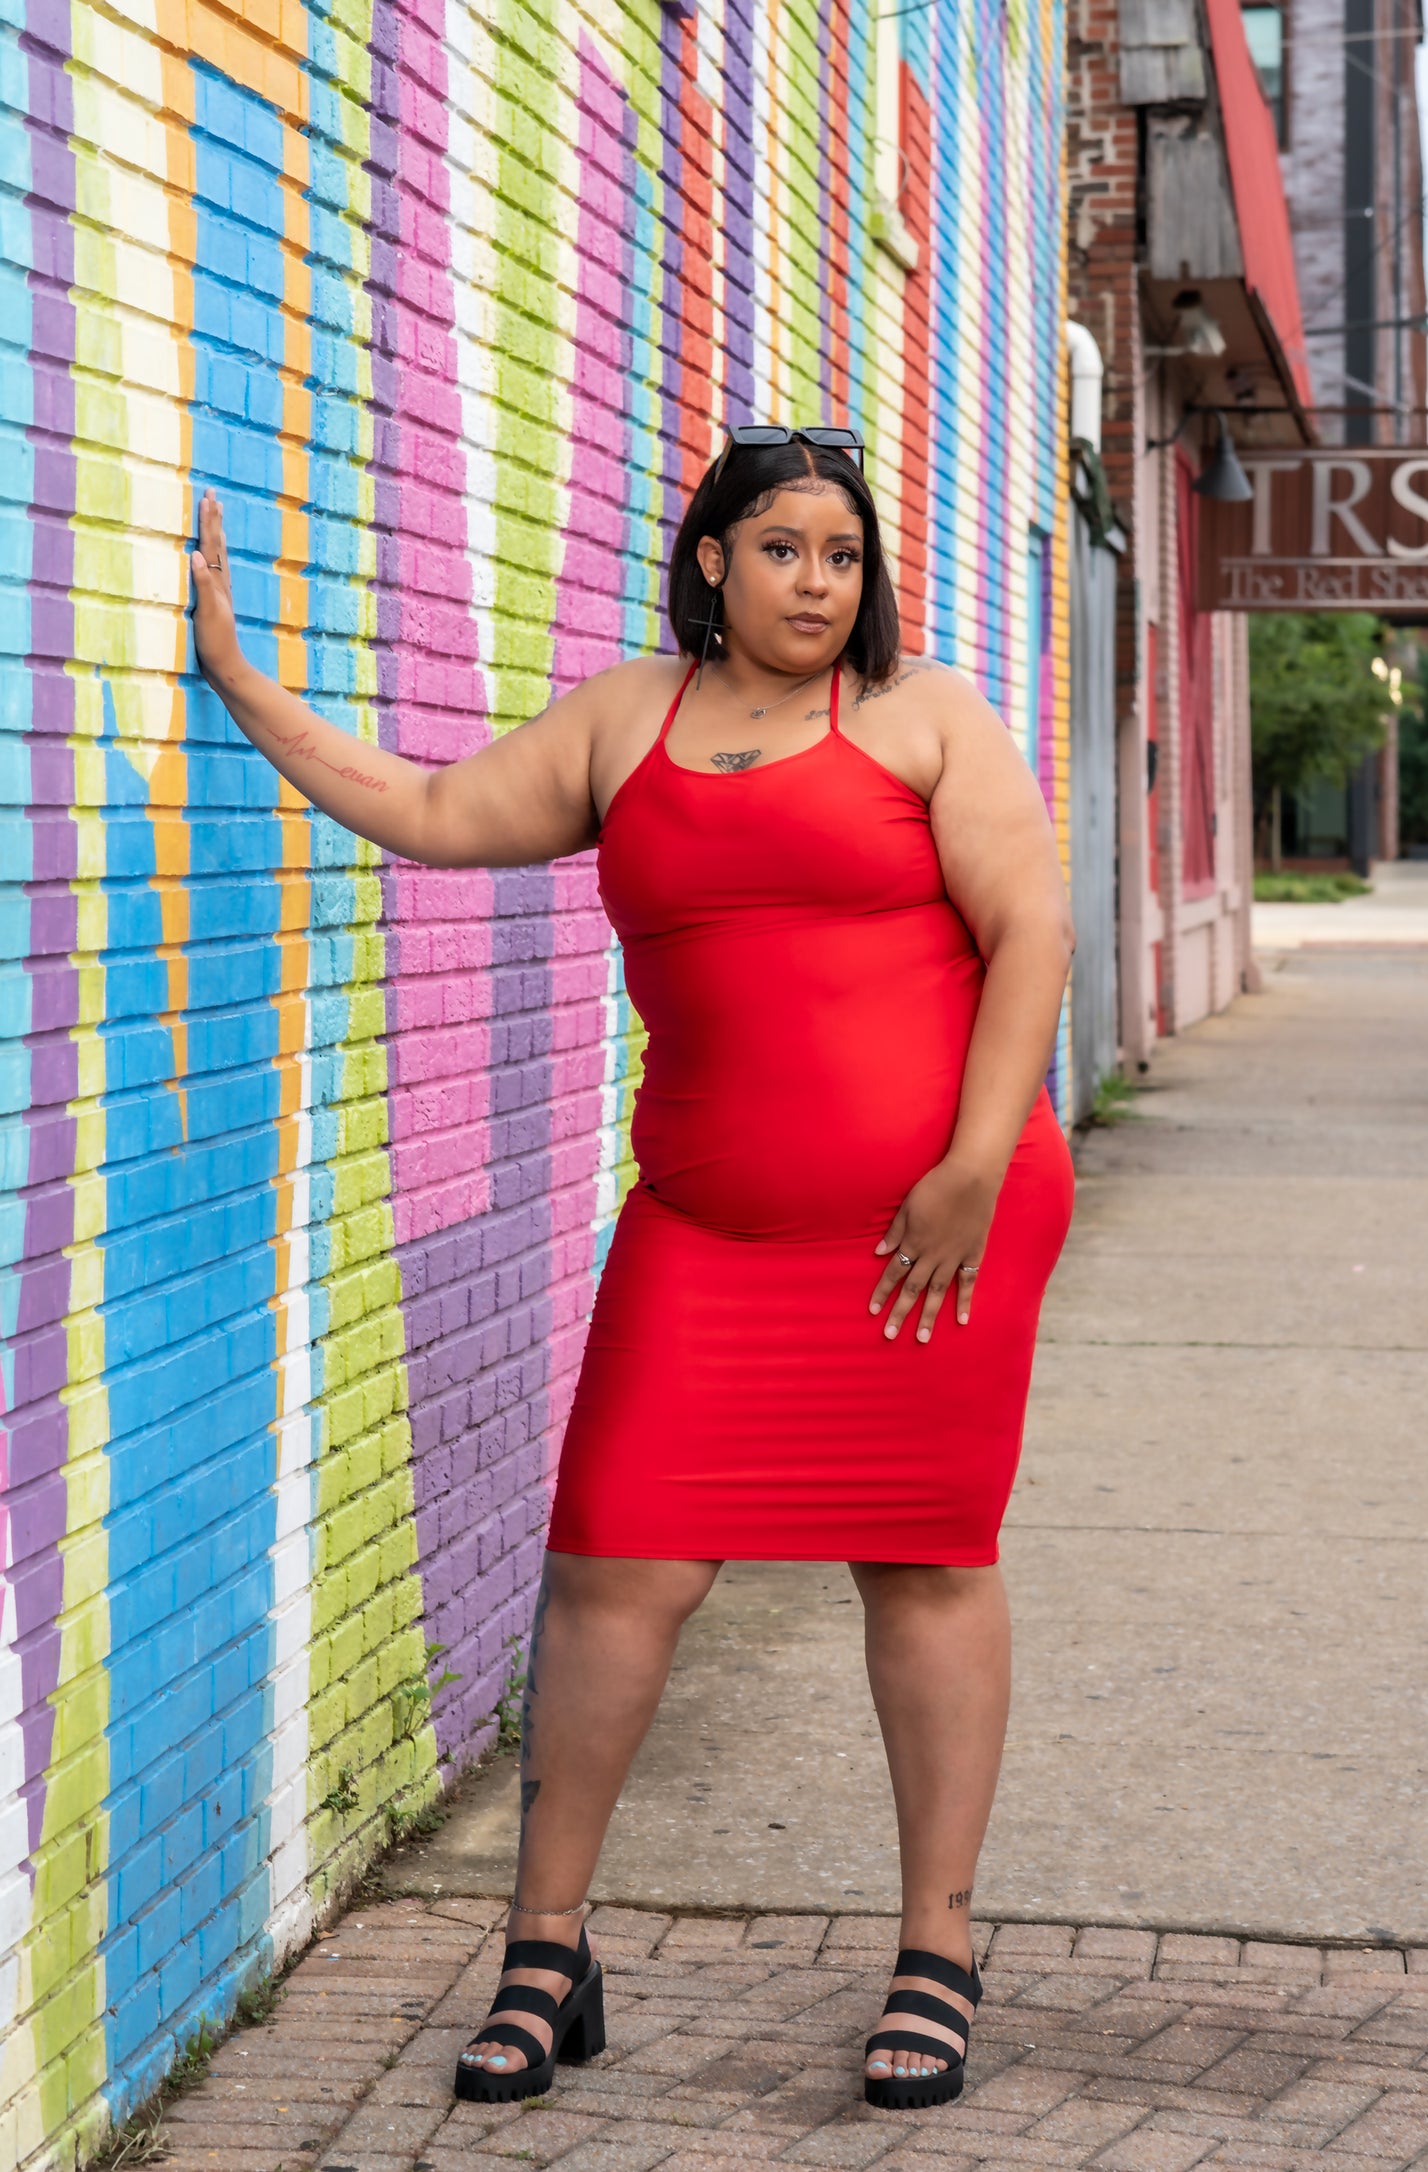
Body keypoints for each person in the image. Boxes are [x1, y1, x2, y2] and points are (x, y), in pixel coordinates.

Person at [188, 424, 1075, 2113]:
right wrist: (242, 682)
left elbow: (1030, 926)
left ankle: (936, 1948)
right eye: (782, 549)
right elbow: (437, 814)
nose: (818, 582)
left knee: (919, 1559)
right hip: (705, 1235)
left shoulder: (925, 716)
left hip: (926, 1233)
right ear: (712, 562)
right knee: (613, 1566)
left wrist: (969, 1164)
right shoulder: (626, 719)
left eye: (840, 553)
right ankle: (546, 1946)